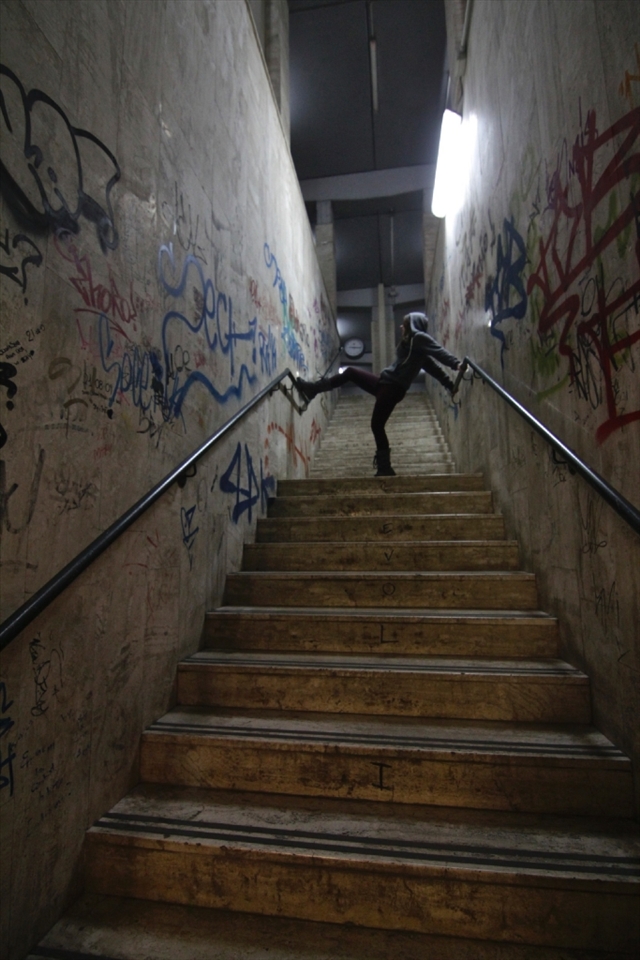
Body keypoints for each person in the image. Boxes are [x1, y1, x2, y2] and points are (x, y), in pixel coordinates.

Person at [296, 313, 462, 477]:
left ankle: (385, 468)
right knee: (351, 373)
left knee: (377, 425)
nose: (401, 326)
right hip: (384, 384)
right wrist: (449, 385)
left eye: (404, 323)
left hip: (392, 388)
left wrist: (456, 364)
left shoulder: (419, 338)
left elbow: (439, 352)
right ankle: (313, 389)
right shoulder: (415, 348)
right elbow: (436, 371)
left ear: (413, 324)